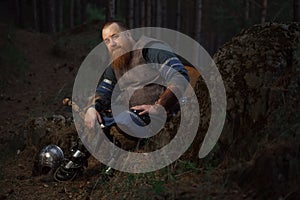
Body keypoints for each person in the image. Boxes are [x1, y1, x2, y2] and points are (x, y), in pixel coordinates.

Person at [84, 21, 190, 141]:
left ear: (128, 34)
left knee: (121, 125)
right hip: (131, 115)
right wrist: (92, 107)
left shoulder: (151, 49)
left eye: (115, 36)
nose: (112, 44)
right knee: (94, 122)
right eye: (107, 41)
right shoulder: (116, 63)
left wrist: (160, 106)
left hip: (164, 114)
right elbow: (104, 91)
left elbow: (179, 75)